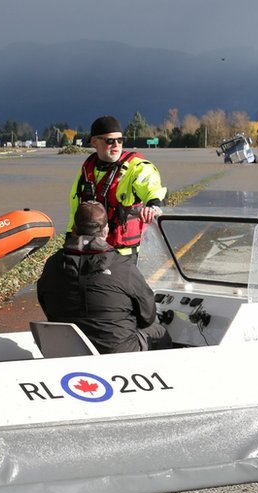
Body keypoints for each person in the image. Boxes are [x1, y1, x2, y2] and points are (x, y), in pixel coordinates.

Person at [37, 201, 170, 354]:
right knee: (160, 333)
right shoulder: (123, 266)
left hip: (67, 349)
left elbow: (46, 306)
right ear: (106, 231)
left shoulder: (52, 264)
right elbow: (148, 316)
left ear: (73, 231)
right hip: (116, 351)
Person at [68, 115, 167, 258]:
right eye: (110, 141)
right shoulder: (86, 170)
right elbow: (74, 211)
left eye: (120, 140)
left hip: (125, 254)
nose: (116, 145)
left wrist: (154, 206)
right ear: (94, 142)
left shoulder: (137, 168)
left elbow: (154, 189)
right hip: (91, 250)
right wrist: (69, 241)